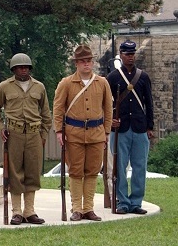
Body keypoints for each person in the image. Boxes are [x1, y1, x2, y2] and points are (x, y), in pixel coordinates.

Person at [0, 53, 52, 225]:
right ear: (14, 69)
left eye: (26, 67)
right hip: (14, 134)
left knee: (33, 172)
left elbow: (46, 114)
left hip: (34, 134)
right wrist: (1, 128)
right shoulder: (5, 86)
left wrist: (43, 135)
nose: (23, 70)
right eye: (19, 67)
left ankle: (29, 211)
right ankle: (16, 212)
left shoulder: (39, 87)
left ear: (30, 69)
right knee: (15, 173)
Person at [53, 44, 113, 221]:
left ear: (92, 63)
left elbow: (108, 109)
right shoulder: (66, 83)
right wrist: (58, 130)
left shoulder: (102, 83)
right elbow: (58, 108)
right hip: (74, 133)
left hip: (96, 132)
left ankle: (88, 208)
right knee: (76, 171)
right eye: (82, 61)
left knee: (93, 171)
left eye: (88, 61)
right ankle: (76, 208)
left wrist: (107, 131)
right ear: (76, 64)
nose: (86, 64)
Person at [106, 40, 154, 215]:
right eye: (127, 54)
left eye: (132, 54)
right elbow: (104, 104)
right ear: (121, 54)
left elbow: (149, 103)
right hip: (120, 129)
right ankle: (122, 202)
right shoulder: (112, 77)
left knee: (140, 167)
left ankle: (136, 202)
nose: (130, 57)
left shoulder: (143, 76)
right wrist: (110, 120)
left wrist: (150, 126)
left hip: (140, 128)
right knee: (119, 167)